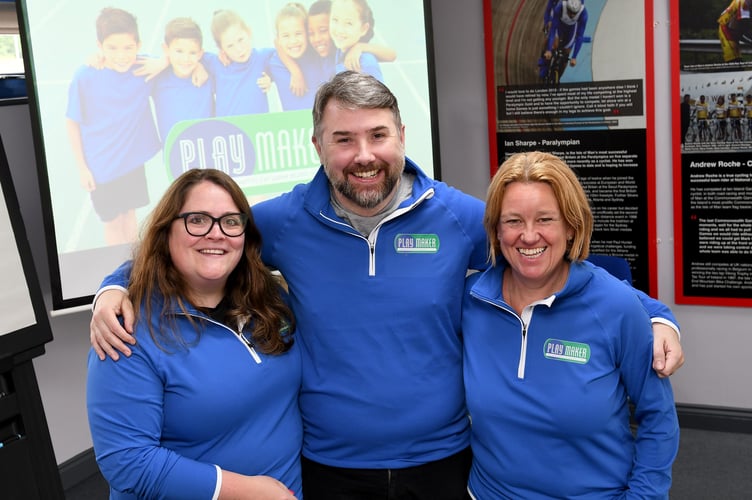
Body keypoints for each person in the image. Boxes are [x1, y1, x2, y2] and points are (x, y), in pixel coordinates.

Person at [90, 71, 684, 500]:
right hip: (328, 465)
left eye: (377, 135)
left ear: (401, 135)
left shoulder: (454, 216)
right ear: (317, 144)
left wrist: (656, 313)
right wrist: (115, 286)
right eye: (343, 139)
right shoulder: (286, 220)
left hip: (445, 461)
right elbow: (203, 241)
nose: (363, 155)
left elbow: (551, 260)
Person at [462, 151, 680, 498]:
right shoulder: (472, 301)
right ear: (496, 230)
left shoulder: (616, 307)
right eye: (513, 221)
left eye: (545, 219)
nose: (529, 236)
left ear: (571, 225)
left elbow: (659, 419)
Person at [86, 168, 301, 499]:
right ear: (166, 232)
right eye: (197, 220)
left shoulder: (270, 301)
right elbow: (127, 461)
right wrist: (249, 492)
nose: (216, 234)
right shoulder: (125, 329)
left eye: (230, 221)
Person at [66, 7, 160, 245]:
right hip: (102, 168)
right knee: (112, 222)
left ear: (138, 45)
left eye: (128, 47)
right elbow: (72, 122)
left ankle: (134, 269)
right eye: (112, 48)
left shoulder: (143, 68)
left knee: (130, 214)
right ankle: (117, 271)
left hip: (131, 163)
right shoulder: (85, 76)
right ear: (100, 46)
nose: (121, 55)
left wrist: (164, 61)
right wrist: (82, 168)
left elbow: (177, 63)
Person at [151, 17, 215, 143]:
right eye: (179, 51)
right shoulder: (157, 78)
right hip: (174, 157)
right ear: (166, 49)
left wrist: (266, 76)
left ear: (200, 54)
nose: (185, 59)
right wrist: (101, 56)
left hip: (207, 156)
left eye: (192, 52)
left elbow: (230, 63)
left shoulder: (208, 74)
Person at [203, 9, 275, 116]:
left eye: (241, 40)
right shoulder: (216, 64)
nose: (239, 49)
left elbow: (285, 51)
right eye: (230, 46)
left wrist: (270, 77)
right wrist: (198, 68)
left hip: (258, 130)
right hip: (229, 131)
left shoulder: (262, 58)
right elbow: (192, 56)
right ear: (221, 49)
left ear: (249, 32)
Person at [330, 0, 384, 80]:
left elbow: (379, 92)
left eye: (349, 23)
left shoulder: (365, 62)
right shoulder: (340, 51)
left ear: (363, 29)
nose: (339, 30)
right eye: (335, 20)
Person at [543, 0, 588, 80]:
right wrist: (549, 49)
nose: (571, 15)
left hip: (571, 29)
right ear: (567, 7)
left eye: (574, 13)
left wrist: (574, 57)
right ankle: (543, 62)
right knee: (553, 44)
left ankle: (558, 78)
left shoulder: (583, 13)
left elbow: (579, 36)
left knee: (566, 55)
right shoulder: (560, 7)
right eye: (570, 12)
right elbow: (553, 30)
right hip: (559, 24)